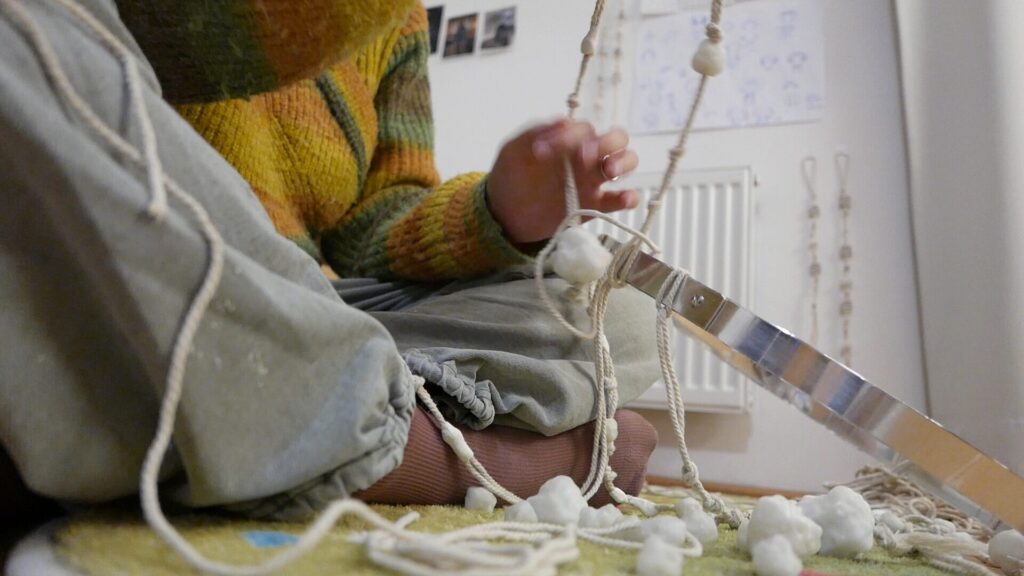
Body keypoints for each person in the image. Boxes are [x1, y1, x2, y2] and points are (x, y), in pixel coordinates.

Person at [0, 0, 660, 521]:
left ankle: (312, 408)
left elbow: (370, 226)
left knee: (614, 312)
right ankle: (460, 459)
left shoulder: (391, 15)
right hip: (166, 263)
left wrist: (496, 213)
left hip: (313, 303)